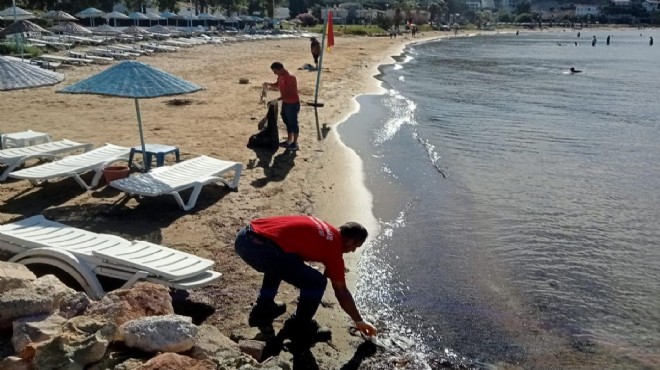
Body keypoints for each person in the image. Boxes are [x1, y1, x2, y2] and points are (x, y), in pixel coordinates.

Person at [234, 215, 378, 341]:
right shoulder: (333, 248)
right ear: (350, 241)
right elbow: (341, 292)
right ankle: (299, 327)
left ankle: (264, 307)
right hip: (258, 249)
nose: (352, 250)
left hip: (245, 236)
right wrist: (359, 321)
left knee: (285, 255)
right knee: (316, 282)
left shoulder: (324, 227)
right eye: (356, 246)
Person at [263, 62, 300, 151]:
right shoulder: (281, 76)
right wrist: (268, 84)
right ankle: (289, 140)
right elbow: (277, 85)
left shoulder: (290, 77)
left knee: (293, 123)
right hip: (286, 103)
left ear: (280, 69)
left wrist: (276, 100)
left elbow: (289, 94)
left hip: (292, 103)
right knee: (286, 121)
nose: (274, 73)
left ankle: (295, 143)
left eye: (275, 71)